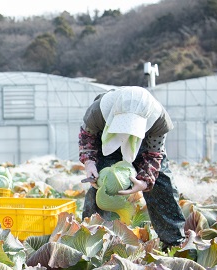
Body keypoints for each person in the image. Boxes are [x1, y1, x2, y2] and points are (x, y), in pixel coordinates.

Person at [78, 86, 186, 249]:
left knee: (163, 186)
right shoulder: (98, 111)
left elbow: (154, 154)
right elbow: (87, 138)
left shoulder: (159, 120)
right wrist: (90, 163)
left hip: (144, 143)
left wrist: (145, 182)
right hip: (108, 140)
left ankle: (173, 242)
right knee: (103, 185)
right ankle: (93, 239)